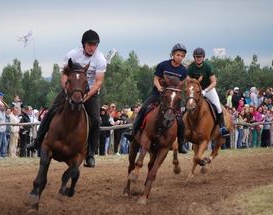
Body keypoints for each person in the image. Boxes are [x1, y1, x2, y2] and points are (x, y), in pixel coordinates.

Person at [27, 29, 106, 168]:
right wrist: (65, 88)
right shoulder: (73, 54)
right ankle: (37, 141)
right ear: (84, 44)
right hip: (71, 88)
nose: (92, 47)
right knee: (52, 110)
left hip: (90, 91)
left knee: (95, 120)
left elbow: (98, 82)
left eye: (95, 45)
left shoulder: (100, 59)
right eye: (89, 44)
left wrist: (86, 96)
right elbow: (64, 74)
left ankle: (90, 155)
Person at [124, 43, 188, 154]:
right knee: (143, 109)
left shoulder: (183, 70)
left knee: (180, 119)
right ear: (172, 54)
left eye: (182, 56)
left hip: (172, 98)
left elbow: (180, 86)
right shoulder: (163, 65)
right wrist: (159, 88)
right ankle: (132, 132)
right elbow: (156, 80)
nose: (180, 58)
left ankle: (181, 144)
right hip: (158, 94)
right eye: (178, 55)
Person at [187, 47, 230, 138]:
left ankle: (222, 127)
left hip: (209, 89)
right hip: (196, 90)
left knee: (218, 107)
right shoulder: (191, 68)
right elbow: (188, 80)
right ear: (194, 58)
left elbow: (214, 82)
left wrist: (205, 90)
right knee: (187, 104)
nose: (198, 58)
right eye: (197, 57)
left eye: (200, 56)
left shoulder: (208, 66)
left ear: (203, 57)